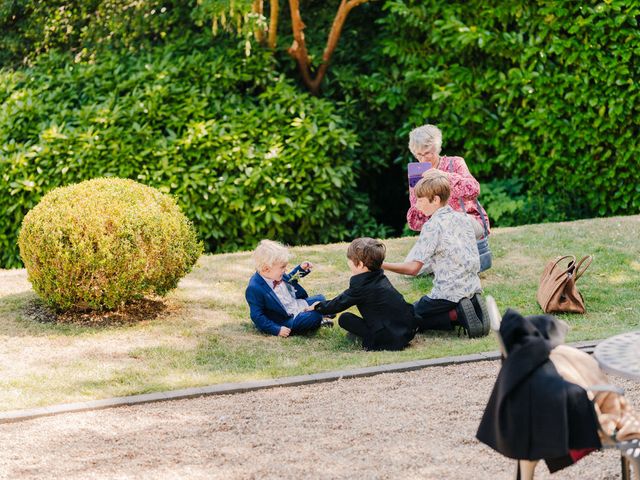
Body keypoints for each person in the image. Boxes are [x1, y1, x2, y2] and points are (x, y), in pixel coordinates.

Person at [383, 170, 489, 338]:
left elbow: (413, 269)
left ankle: (457, 315)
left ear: (436, 199)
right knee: (421, 313)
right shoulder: (464, 218)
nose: (417, 205)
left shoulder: (432, 226)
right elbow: (481, 231)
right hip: (472, 285)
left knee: (409, 317)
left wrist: (381, 264)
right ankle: (469, 305)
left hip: (448, 293)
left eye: (420, 200)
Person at [309, 237, 416, 351]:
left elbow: (338, 304)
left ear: (360, 264)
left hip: (389, 338)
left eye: (349, 260)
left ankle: (373, 338)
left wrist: (317, 306)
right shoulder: (379, 277)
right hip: (406, 331)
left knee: (345, 318)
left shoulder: (360, 287)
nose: (348, 262)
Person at [406, 124, 490, 239]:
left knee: (445, 226)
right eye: (419, 155)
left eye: (428, 153)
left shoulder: (455, 163)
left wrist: (445, 176)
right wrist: (421, 200)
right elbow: (416, 223)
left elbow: (474, 190)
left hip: (470, 223)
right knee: (434, 232)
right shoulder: (418, 174)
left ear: (437, 148)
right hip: (440, 231)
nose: (423, 159)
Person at [245, 239, 330, 337]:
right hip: (286, 318)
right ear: (266, 268)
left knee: (321, 299)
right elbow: (257, 316)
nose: (285, 269)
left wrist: (301, 269)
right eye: (282, 267)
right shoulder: (254, 288)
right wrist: (276, 329)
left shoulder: (276, 274)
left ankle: (321, 315)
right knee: (314, 316)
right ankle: (320, 318)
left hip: (295, 305)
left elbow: (290, 279)